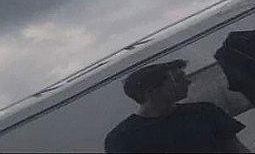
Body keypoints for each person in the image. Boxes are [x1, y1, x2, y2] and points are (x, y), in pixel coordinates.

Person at [103, 60, 247, 153]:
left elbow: (236, 149)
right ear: (151, 91)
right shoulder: (122, 138)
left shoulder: (204, 111)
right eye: (177, 79)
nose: (188, 82)